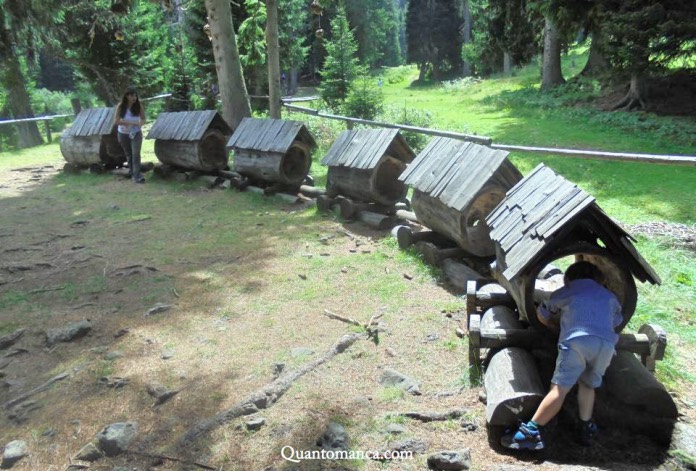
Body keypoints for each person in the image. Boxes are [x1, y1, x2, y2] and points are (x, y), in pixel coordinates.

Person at [501, 261, 622, 450]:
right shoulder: (610, 296)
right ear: (599, 280)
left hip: (576, 342)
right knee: (587, 385)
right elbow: (616, 321)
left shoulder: (567, 291)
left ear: (568, 280)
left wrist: (552, 327)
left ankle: (530, 432)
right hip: (606, 345)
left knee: (559, 390)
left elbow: (542, 314)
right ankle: (586, 427)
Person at [114, 87, 146, 183]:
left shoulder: (138, 106)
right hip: (123, 134)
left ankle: (137, 175)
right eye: (132, 95)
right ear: (127, 96)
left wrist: (140, 123)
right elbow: (116, 121)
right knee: (129, 154)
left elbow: (143, 118)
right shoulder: (121, 106)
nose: (134, 98)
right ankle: (133, 173)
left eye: (135, 95)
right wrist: (127, 122)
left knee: (136, 154)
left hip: (136, 133)